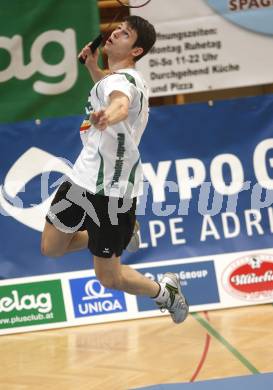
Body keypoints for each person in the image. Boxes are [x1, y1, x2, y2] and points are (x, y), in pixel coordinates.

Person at [41, 15, 188, 324]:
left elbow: (119, 103)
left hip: (113, 193)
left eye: (125, 34)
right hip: (82, 179)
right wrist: (94, 67)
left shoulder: (124, 84)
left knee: (109, 278)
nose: (115, 33)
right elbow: (110, 89)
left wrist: (108, 115)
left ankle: (164, 292)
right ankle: (127, 233)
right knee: (52, 248)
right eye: (118, 28)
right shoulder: (119, 77)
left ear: (136, 51)